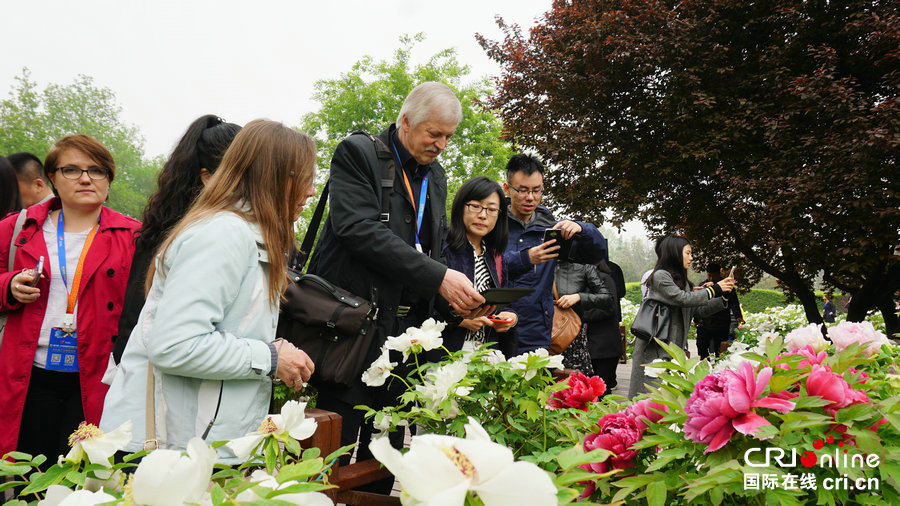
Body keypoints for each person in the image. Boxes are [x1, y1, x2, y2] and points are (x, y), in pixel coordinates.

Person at [306, 82, 489, 491]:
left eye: (448, 137)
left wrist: (454, 305)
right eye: (434, 133)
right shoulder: (359, 153)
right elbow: (357, 229)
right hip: (352, 330)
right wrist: (439, 276)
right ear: (405, 121)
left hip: (405, 336)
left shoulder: (436, 174)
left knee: (385, 452)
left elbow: (431, 246)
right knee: (330, 451)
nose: (441, 144)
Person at [100, 120, 316, 460]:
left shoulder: (248, 236)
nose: (311, 191)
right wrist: (270, 358)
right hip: (167, 451)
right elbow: (175, 345)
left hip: (195, 446)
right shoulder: (223, 235)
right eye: (304, 178)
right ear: (275, 176)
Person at [0, 135, 141, 463]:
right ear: (51, 178)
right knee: (28, 472)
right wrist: (7, 285)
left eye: (97, 170)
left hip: (99, 376)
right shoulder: (19, 228)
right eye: (71, 170)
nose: (86, 178)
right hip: (29, 374)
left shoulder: (133, 236)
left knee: (87, 475)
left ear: (109, 179)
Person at [112, 115, 241, 364]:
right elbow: (139, 320)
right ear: (207, 177)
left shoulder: (169, 230)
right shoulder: (190, 239)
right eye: (242, 174)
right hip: (153, 377)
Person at [502, 154, 607, 353]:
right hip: (497, 329)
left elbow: (595, 254)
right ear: (507, 189)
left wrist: (583, 228)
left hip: (538, 332)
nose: (530, 197)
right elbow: (484, 267)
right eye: (523, 190)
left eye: (536, 190)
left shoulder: (551, 230)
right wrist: (526, 259)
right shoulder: (493, 226)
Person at [628, 236, 733, 399]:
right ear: (674, 253)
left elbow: (698, 311)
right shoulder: (660, 276)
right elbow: (682, 299)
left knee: (668, 399)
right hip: (655, 348)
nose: (692, 257)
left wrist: (724, 296)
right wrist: (713, 290)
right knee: (648, 397)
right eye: (688, 253)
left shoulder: (683, 282)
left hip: (673, 348)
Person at [434, 176, 518, 358]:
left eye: (492, 209)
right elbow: (421, 305)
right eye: (475, 206)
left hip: (488, 353)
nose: (482, 215)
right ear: (460, 207)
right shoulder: (441, 249)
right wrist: (458, 320)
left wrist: (509, 318)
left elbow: (505, 302)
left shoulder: (495, 256)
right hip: (448, 354)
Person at [555, 259, 614, 374]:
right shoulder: (538, 265)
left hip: (570, 335)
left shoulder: (582, 267)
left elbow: (607, 298)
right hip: (542, 333)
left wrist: (579, 297)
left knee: (573, 383)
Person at [585, 260, 622, 392]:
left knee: (602, 391)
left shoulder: (604, 279)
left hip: (604, 347)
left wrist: (580, 314)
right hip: (588, 347)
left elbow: (608, 308)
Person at [694, 262, 742, 359]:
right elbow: (697, 303)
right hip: (705, 323)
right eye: (709, 275)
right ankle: (704, 365)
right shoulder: (702, 285)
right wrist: (696, 320)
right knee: (701, 348)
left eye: (714, 276)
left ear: (719, 273)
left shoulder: (726, 286)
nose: (711, 278)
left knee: (719, 351)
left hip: (721, 323)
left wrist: (738, 317)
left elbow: (734, 303)